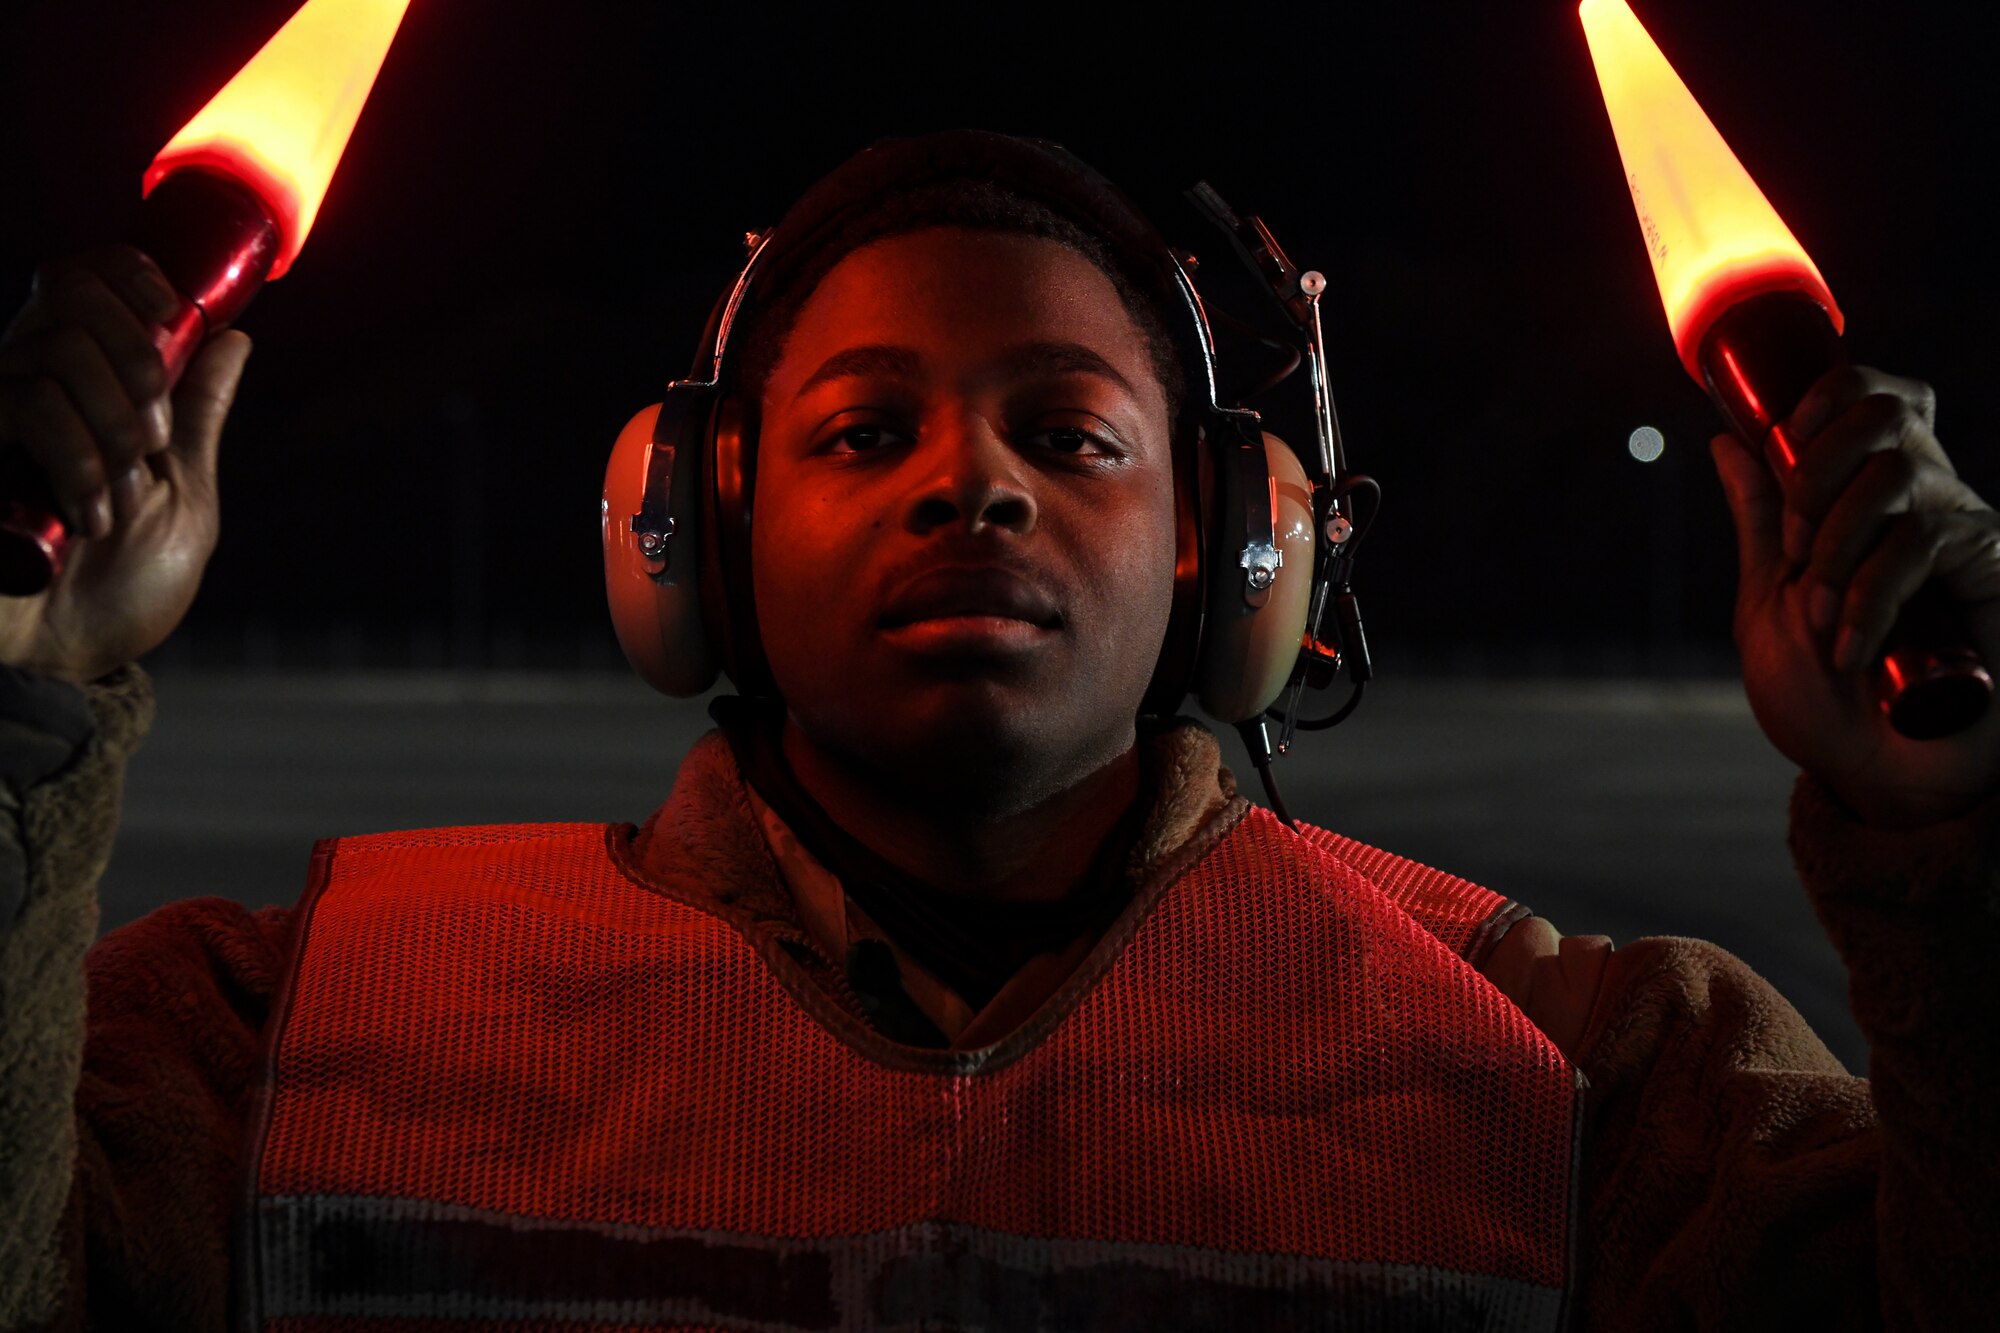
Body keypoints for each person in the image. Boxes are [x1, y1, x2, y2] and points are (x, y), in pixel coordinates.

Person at [0, 131, 1994, 1331]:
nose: (975, 488)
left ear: (1242, 543)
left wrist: (1964, 843)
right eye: (865, 431)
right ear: (697, 525)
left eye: (1069, 432)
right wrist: (14, 692)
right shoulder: (270, 1039)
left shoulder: (1597, 1082)